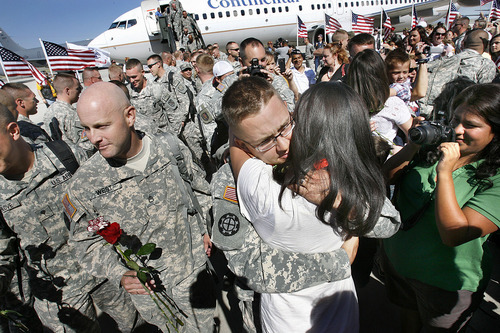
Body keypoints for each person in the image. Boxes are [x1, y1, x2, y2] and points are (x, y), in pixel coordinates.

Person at [223, 77, 400, 332]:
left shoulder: (256, 179)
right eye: (265, 141)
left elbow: (237, 152)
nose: (283, 145)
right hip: (322, 315)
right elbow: (388, 223)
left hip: (301, 317)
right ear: (244, 143)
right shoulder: (334, 171)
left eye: (286, 127)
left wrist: (334, 196)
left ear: (292, 111)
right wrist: (340, 202)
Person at [64, 82, 215, 332]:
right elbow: (84, 243)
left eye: (102, 126)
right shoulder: (84, 184)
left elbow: (200, 191)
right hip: (152, 297)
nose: (93, 138)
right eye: (87, 129)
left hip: (194, 277)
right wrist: (119, 274)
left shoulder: (170, 149)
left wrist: (204, 229)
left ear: (130, 116)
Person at [0, 104, 138, 332]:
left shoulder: (65, 155)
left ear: (14, 131)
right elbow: (4, 253)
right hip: (59, 294)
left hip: (107, 270)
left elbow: (113, 197)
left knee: (138, 326)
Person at [382, 83, 500, 332]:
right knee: (408, 321)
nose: (457, 130)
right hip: (399, 264)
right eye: (456, 119)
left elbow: (454, 233)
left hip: (446, 284)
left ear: (495, 132)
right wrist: (414, 145)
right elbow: (386, 177)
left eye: (471, 125)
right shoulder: (435, 146)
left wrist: (445, 172)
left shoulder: (496, 177)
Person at [346, 49, 413, 154]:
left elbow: (412, 135)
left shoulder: (392, 103)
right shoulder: (345, 103)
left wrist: (399, 152)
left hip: (386, 163)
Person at [419, 29, 497, 118]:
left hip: (431, 113)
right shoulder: (485, 64)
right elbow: (484, 95)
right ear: (486, 44)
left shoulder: (443, 61)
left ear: (463, 43)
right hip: (462, 115)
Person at [125, 58, 185, 134]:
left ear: (142, 73)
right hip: (143, 139)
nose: (131, 81)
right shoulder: (128, 92)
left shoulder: (157, 88)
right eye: (128, 77)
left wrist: (174, 136)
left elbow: (174, 113)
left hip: (162, 137)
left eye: (134, 77)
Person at [239, 37, 295, 112]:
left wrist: (269, 89)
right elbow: (219, 113)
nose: (259, 65)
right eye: (254, 62)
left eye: (262, 60)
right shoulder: (230, 82)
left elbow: (290, 108)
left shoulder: (276, 81)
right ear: (241, 62)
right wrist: (239, 89)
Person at [385, 48, 428, 115]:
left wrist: (422, 61)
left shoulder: (400, 87)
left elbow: (382, 95)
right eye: (396, 73)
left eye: (405, 72)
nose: (401, 76)